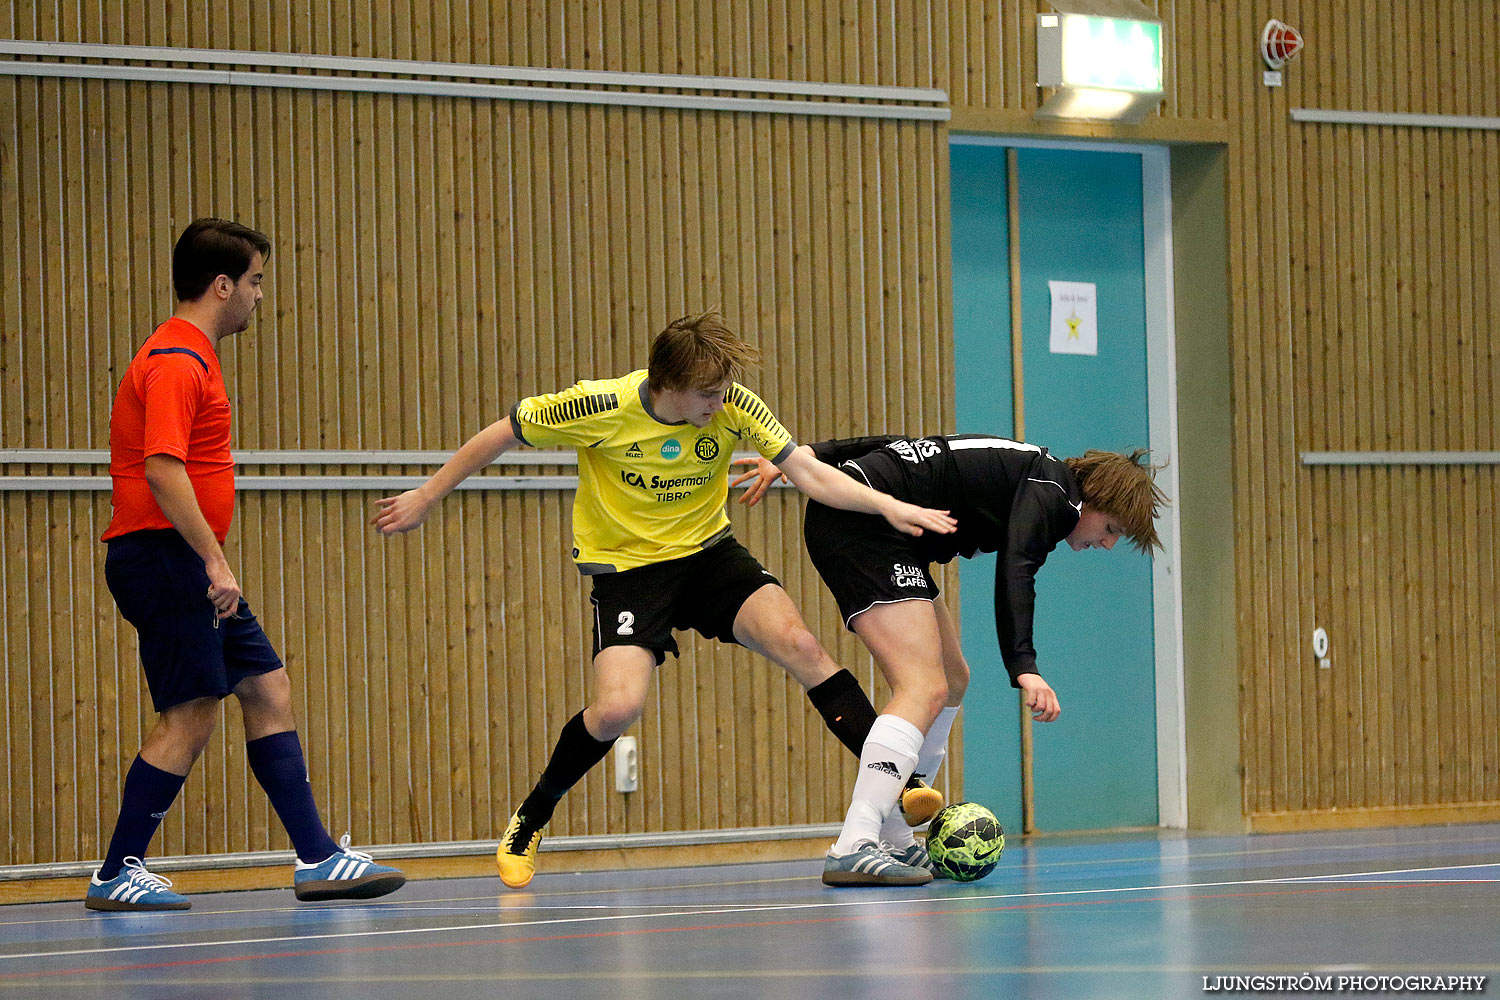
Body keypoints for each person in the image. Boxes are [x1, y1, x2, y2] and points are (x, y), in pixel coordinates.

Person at [372, 311, 957, 889]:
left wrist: (888, 506)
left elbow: (805, 470)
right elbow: (502, 432)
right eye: (707, 394)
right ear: (666, 385)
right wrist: (426, 495)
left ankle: (898, 785)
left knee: (802, 645)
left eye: (725, 391)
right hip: (630, 573)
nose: (719, 404)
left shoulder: (734, 407)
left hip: (710, 556)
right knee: (617, 709)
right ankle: (532, 815)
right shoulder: (596, 407)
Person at [88, 218, 404, 911]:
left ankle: (317, 857)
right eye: (255, 281)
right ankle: (117, 871)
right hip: (166, 558)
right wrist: (213, 561)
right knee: (191, 713)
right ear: (222, 284)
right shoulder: (177, 360)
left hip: (183, 559)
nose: (260, 296)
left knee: (266, 686)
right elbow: (164, 471)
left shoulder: (196, 357)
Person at [734, 433, 1166, 885]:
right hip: (862, 525)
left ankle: (895, 834)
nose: (1109, 544)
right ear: (1095, 499)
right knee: (922, 686)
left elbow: (908, 444)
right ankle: (854, 843)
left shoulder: (1038, 470)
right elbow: (1017, 568)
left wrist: (816, 455)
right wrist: (1025, 668)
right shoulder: (1055, 496)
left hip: (886, 533)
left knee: (953, 679)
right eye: (1112, 529)